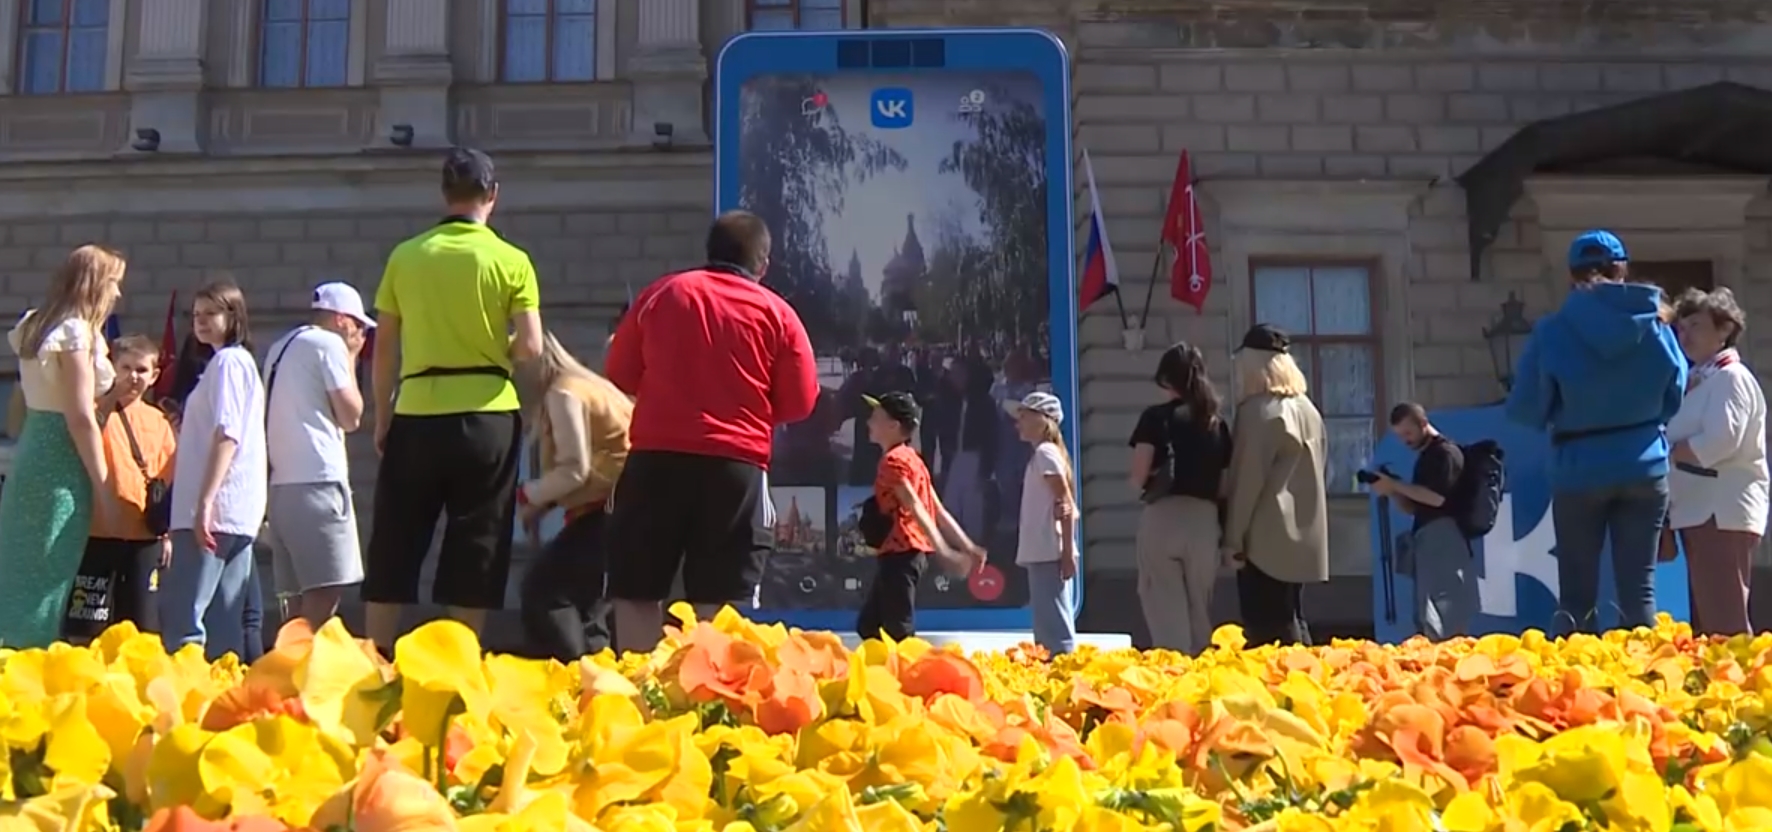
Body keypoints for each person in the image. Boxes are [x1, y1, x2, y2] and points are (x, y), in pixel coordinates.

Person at [603, 210, 818, 654]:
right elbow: (800, 402)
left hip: (655, 462)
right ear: (763, 264)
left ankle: (637, 697)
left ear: (709, 252)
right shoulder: (778, 314)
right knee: (720, 603)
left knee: (637, 589)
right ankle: (707, 701)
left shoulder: (661, 294)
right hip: (735, 468)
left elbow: (619, 372)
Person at [364, 147, 545, 656]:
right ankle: (460, 662)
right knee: (478, 541)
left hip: (418, 409)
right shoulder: (512, 260)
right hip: (488, 412)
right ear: (493, 195)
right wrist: (492, 355)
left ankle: (377, 656)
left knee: (396, 539)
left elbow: (385, 351)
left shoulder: (406, 255)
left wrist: (384, 414)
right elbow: (531, 346)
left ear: (444, 195)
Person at [1505, 230, 1686, 634]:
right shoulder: (1656, 325)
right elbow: (1675, 394)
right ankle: (1646, 685)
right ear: (1622, 270)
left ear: (1572, 275)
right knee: (1639, 593)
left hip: (1578, 468)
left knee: (1576, 598)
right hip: (1644, 464)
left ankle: (1577, 691)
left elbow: (1527, 408)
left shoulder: (1552, 331)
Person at [0, 245, 125, 648]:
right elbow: (79, 415)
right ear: (95, 285)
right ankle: (24, 662)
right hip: (61, 463)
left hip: (32, 451)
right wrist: (104, 484)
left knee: (19, 565)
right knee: (48, 573)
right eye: (114, 284)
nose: (117, 295)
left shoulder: (36, 324)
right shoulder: (75, 332)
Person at [160, 280, 268, 660]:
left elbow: (228, 433)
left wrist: (204, 502)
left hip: (212, 512)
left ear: (233, 315)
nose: (201, 322)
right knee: (225, 631)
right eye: (195, 315)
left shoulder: (227, 362)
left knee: (186, 624)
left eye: (211, 313)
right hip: (237, 514)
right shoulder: (236, 365)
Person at [516, 332, 632, 661]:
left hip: (606, 511)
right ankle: (602, 687)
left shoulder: (563, 392)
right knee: (589, 610)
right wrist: (544, 504)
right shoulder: (590, 385)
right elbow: (597, 458)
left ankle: (572, 679)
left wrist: (529, 494)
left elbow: (574, 468)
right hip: (625, 507)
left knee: (546, 593)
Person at [262, 283, 372, 627]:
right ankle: (310, 665)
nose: (361, 336)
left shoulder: (281, 347)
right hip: (319, 482)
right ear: (342, 320)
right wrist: (351, 358)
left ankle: (286, 666)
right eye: (360, 327)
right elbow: (352, 416)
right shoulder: (329, 344)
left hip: (282, 486)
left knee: (293, 599)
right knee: (325, 591)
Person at [1666, 287, 1765, 636]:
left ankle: (1747, 689)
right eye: (1681, 327)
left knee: (1725, 623)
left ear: (1724, 330)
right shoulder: (1701, 379)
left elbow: (1721, 441)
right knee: (1710, 623)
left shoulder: (1731, 378)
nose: (1685, 335)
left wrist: (1668, 450)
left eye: (1696, 325)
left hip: (1719, 512)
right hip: (1698, 510)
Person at [1223, 324, 1328, 647]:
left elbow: (1245, 481)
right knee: (1294, 617)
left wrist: (1232, 539)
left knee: (1266, 629)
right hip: (1305, 537)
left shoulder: (1257, 412)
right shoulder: (1310, 410)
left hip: (1264, 538)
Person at [1126, 342, 1232, 653]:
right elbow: (1224, 485)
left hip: (1163, 516)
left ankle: (1174, 682)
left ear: (1166, 379)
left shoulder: (1155, 418)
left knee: (1164, 605)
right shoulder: (1217, 423)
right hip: (1204, 520)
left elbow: (1138, 477)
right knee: (1199, 609)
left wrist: (1140, 481)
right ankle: (1202, 680)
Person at [72, 334, 176, 639]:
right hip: (98, 532)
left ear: (154, 376)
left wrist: (166, 533)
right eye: (126, 367)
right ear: (112, 368)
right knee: (88, 626)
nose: (133, 376)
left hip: (143, 537)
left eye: (142, 370)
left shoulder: (158, 421)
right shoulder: (94, 411)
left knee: (142, 627)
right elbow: (86, 434)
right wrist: (108, 397)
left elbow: (166, 477)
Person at [858, 392, 983, 641]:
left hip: (901, 553)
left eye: (876, 417)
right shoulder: (913, 459)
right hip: (905, 555)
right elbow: (937, 509)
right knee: (869, 625)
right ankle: (885, 675)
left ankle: (912, 677)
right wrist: (968, 546)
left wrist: (945, 550)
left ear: (893, 426)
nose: (869, 422)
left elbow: (917, 506)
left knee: (899, 632)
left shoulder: (893, 462)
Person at [1372, 403, 1474, 640]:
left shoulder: (1445, 454)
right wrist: (1391, 489)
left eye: (1408, 433)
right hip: (1427, 539)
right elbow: (1414, 507)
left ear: (1424, 424)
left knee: (1444, 614)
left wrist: (1396, 485)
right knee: (1426, 613)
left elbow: (1436, 498)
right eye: (1400, 436)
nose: (1405, 440)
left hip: (1445, 540)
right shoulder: (1426, 457)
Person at [1006, 391, 1078, 655]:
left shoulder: (1046, 454)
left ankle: (1064, 674)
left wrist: (1067, 553)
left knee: (1054, 627)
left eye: (1024, 416)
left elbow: (1066, 505)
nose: (1018, 423)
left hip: (1049, 551)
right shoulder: (1045, 455)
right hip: (1043, 551)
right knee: (1048, 624)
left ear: (1042, 420)